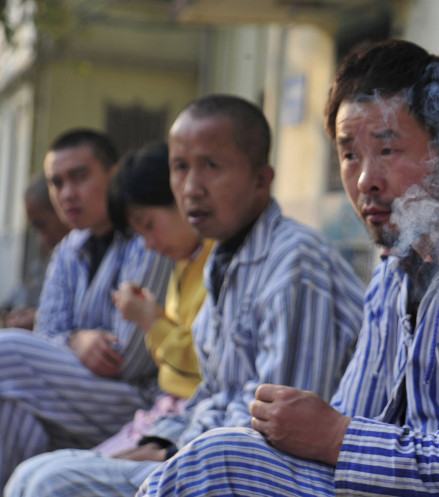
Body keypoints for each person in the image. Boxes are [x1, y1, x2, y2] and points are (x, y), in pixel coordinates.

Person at [135, 39, 439, 497]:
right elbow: (348, 413)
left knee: (214, 466)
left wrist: (337, 436)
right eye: (349, 155)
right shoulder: (391, 274)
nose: (366, 180)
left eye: (388, 150)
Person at [4, 95, 365, 496]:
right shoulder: (223, 259)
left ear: (261, 179)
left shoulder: (296, 263)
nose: (191, 188)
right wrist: (157, 444)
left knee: (49, 482)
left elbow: (278, 430)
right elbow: (211, 392)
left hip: (259, 470)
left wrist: (171, 455)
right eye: (180, 168)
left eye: (211, 166)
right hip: (199, 442)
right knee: (33, 469)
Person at [0, 129, 173, 485]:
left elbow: (126, 358)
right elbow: (49, 330)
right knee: (14, 417)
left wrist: (61, 343)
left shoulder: (147, 236)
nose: (67, 194)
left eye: (79, 177)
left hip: (141, 405)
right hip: (75, 399)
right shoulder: (68, 249)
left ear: (113, 174)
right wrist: (78, 340)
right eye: (56, 183)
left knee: (8, 351)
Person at [98, 141, 212, 455]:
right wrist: (155, 318)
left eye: (149, 225)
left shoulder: (218, 262)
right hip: (164, 409)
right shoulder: (185, 261)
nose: (149, 244)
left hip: (193, 418)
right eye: (140, 234)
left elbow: (205, 365)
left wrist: (152, 322)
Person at [1, 173, 70, 329]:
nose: (42, 239)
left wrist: (41, 320)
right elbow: (15, 301)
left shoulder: (84, 254)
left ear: (61, 210)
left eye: (42, 225)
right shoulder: (50, 259)